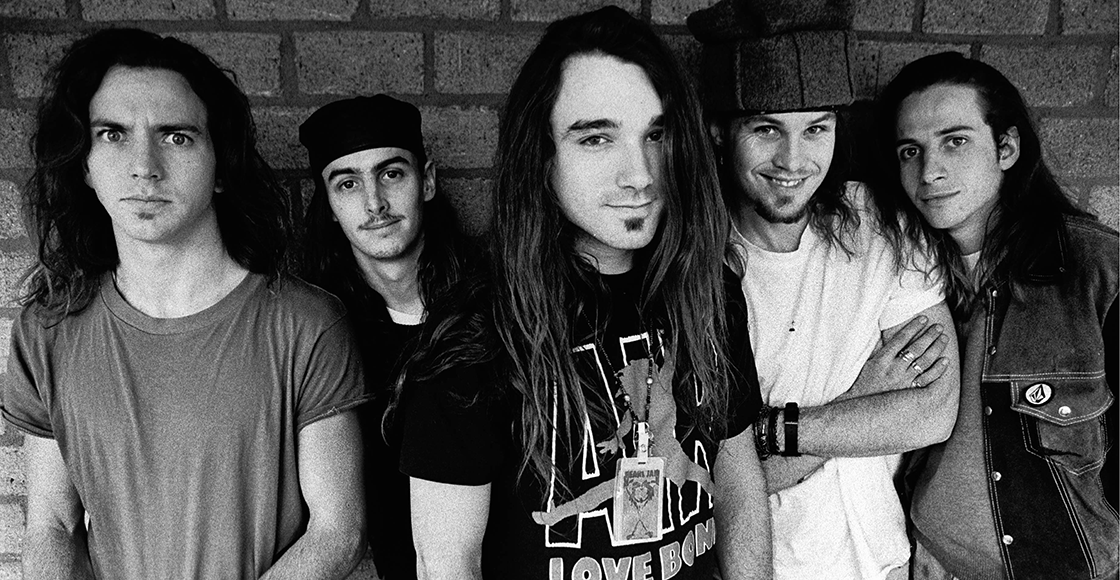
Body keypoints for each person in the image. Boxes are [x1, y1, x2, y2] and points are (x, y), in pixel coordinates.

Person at [396, 6, 771, 579]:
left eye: (656, 134)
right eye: (597, 138)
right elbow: (447, 562)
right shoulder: (476, 334)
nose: (640, 174)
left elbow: (738, 484)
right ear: (542, 157)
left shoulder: (707, 291)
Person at [2, 28, 368, 579]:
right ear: (84, 164)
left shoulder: (305, 324)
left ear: (221, 165)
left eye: (176, 136)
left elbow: (337, 532)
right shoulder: (48, 330)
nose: (144, 166)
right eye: (112, 134)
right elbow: (51, 525)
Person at [689, 1, 961, 578]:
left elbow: (933, 411)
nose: (794, 161)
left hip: (880, 564)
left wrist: (768, 432)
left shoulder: (881, 225)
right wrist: (864, 398)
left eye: (816, 129)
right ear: (718, 132)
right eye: (766, 129)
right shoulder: (690, 266)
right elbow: (708, 482)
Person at [878, 51, 1118, 580]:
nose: (930, 172)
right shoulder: (905, 273)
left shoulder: (1096, 268)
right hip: (926, 562)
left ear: (1006, 147)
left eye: (955, 141)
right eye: (910, 151)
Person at [299, 94, 473, 580]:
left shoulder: (493, 307)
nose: (374, 202)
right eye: (348, 183)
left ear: (427, 181)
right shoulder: (321, 336)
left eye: (391, 173)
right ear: (329, 206)